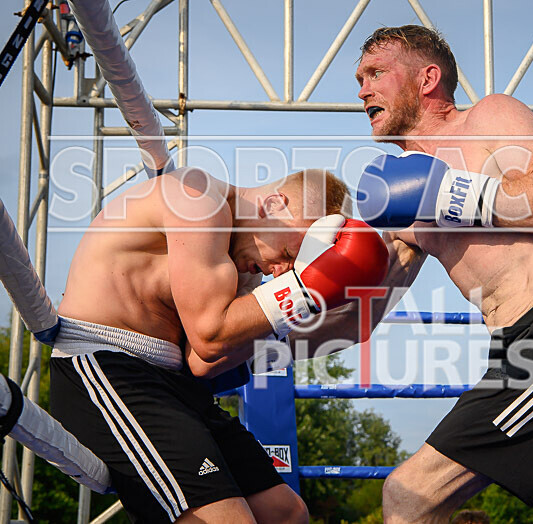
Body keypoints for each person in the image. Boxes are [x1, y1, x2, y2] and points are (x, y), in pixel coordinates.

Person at [348, 25, 533, 523]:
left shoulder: (488, 118)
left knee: (409, 496)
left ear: (427, 78)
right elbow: (364, 311)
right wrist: (303, 281)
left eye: (376, 73)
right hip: (515, 350)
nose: (362, 91)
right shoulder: (402, 197)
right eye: (359, 79)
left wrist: (450, 195)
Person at [48, 166, 389, 523]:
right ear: (274, 204)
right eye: (289, 252)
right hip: (107, 367)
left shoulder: (244, 262)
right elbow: (210, 338)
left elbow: (202, 363)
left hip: (174, 384)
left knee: (286, 514)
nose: (281, 271)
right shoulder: (197, 199)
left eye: (295, 267)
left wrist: (301, 302)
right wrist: (301, 293)